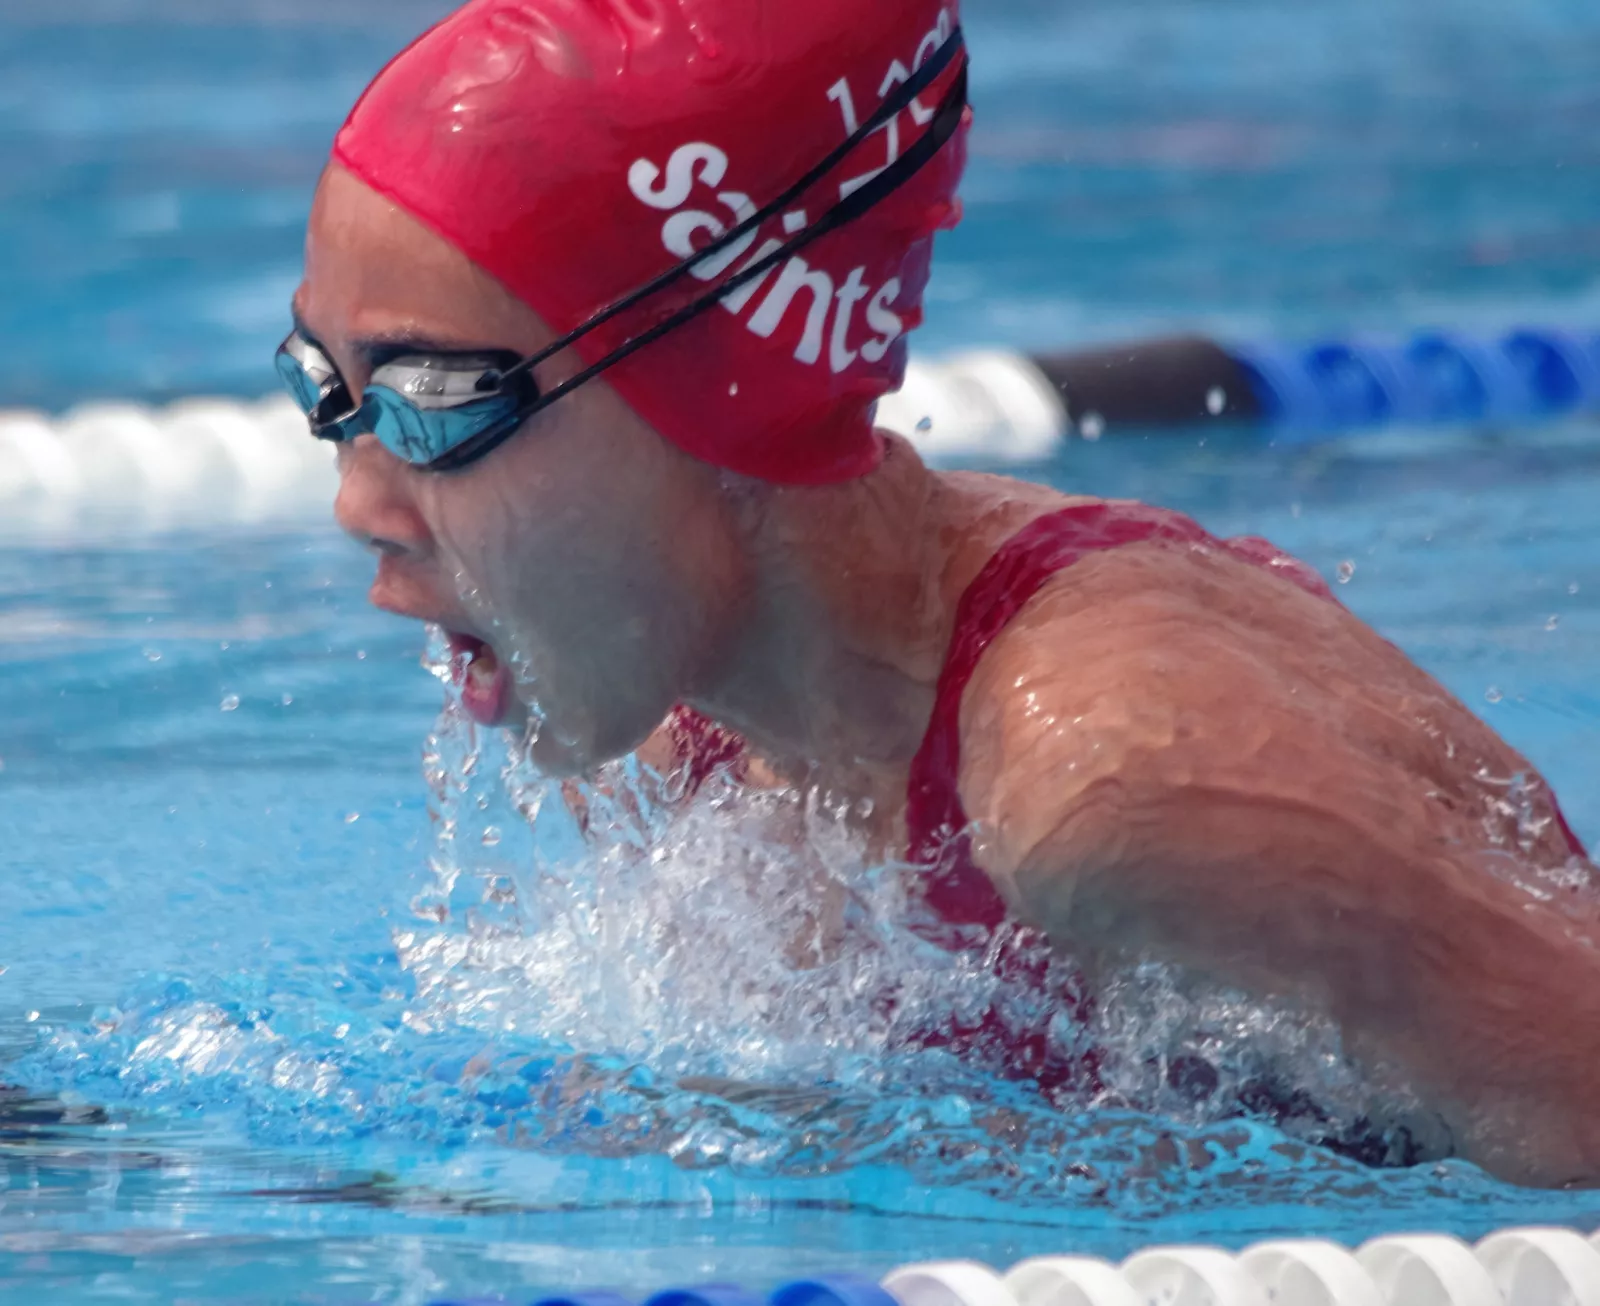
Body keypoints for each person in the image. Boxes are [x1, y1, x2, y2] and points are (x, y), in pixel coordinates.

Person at [278, 0, 1599, 1187]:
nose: (359, 503)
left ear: (725, 390)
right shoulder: (687, 726)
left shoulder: (1123, 783)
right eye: (323, 389)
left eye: (440, 403)